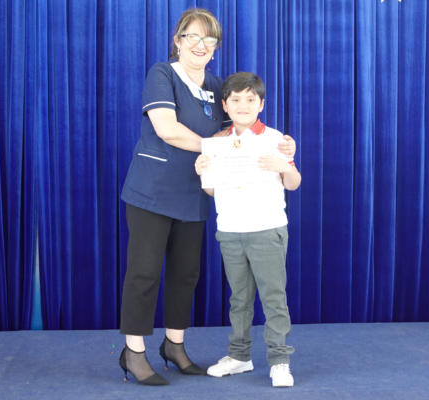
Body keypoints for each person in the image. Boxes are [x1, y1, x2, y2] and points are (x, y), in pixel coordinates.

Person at [119, 8, 298, 386]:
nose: (200, 45)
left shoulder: (218, 86)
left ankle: (174, 346)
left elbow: (241, 129)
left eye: (209, 39)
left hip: (197, 193)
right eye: (192, 37)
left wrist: (282, 145)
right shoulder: (163, 74)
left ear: (215, 47)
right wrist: (214, 148)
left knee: (186, 274)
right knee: (144, 273)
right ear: (178, 40)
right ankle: (133, 352)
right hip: (152, 191)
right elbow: (167, 129)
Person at [195, 72, 302, 387]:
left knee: (273, 297)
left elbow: (294, 183)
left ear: (261, 104)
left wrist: (283, 167)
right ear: (225, 105)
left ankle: (280, 361)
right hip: (229, 230)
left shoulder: (275, 138)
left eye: (250, 99)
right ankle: (240, 356)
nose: (243, 105)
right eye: (236, 99)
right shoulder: (217, 142)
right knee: (239, 299)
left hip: (267, 229)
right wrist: (202, 172)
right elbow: (212, 190)